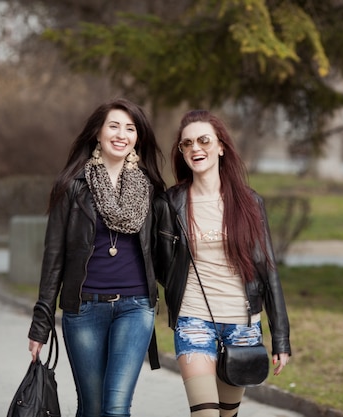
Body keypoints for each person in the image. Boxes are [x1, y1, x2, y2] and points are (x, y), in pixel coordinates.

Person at [27, 98, 165, 417]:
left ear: (137, 138)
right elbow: (53, 260)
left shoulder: (150, 189)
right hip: (84, 308)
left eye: (130, 128)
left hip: (136, 307)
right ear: (97, 134)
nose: (122, 134)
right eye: (113, 126)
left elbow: (167, 252)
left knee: (115, 408)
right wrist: (40, 326)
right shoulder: (71, 188)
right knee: (92, 408)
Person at [154, 110, 291, 417]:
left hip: (243, 325)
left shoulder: (249, 203)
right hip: (193, 320)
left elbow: (268, 271)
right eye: (186, 144)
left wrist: (280, 338)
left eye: (203, 140)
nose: (195, 149)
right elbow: (163, 266)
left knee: (228, 415)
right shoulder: (171, 204)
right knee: (205, 414)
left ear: (220, 146)